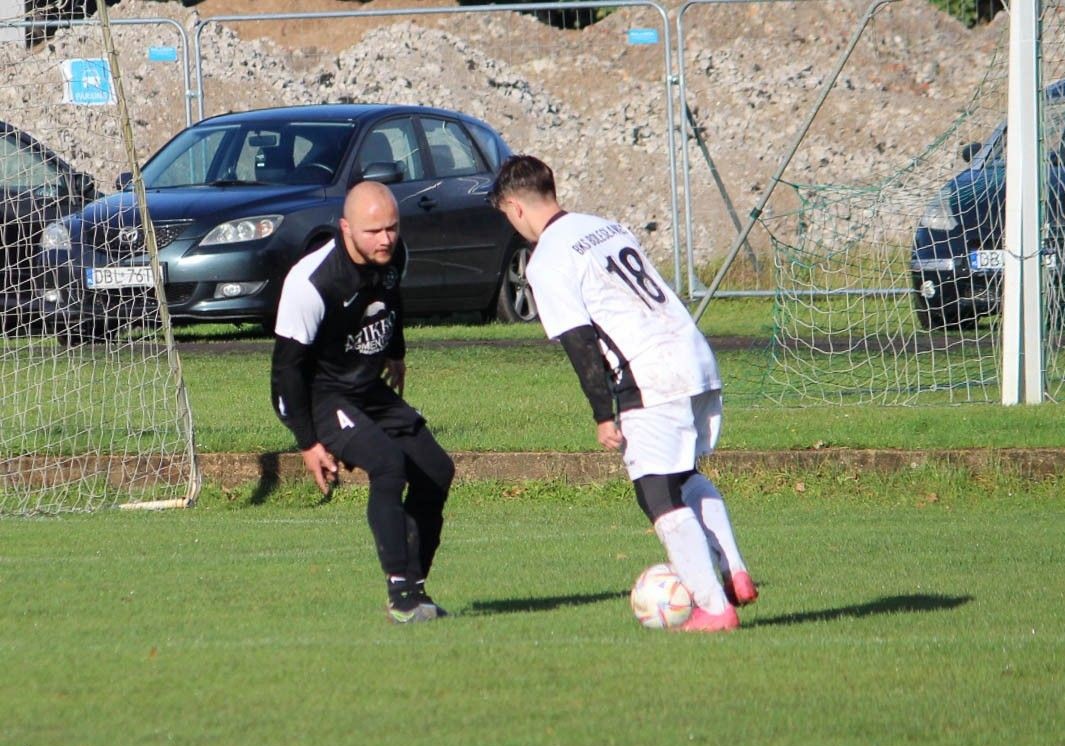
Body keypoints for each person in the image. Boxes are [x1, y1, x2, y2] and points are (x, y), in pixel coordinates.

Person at [488, 154, 757, 632]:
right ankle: (733, 568)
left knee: (655, 493)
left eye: (507, 215)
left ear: (514, 206)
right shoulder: (603, 227)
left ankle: (714, 608)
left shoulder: (548, 259)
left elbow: (580, 342)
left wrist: (603, 413)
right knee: (682, 475)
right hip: (692, 353)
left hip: (650, 373)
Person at [271, 180, 455, 624]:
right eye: (374, 231)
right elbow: (285, 371)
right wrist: (307, 442)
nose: (386, 239)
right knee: (389, 465)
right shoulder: (312, 281)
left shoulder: (394, 255)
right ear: (345, 227)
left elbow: (390, 300)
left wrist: (396, 351)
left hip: (367, 388)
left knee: (436, 470)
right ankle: (401, 593)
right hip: (322, 396)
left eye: (392, 227)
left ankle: (415, 588)